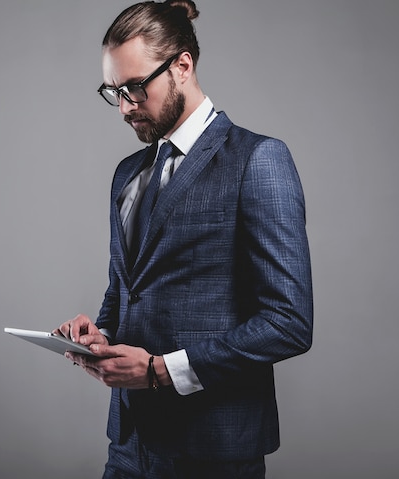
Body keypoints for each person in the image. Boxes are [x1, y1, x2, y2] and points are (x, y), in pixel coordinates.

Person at [54, 1, 313, 477]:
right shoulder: (127, 174)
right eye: (113, 92)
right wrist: (101, 335)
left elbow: (289, 321)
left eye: (135, 87)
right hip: (130, 445)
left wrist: (160, 371)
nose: (126, 107)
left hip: (213, 450)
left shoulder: (258, 160)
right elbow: (126, 288)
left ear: (183, 66)